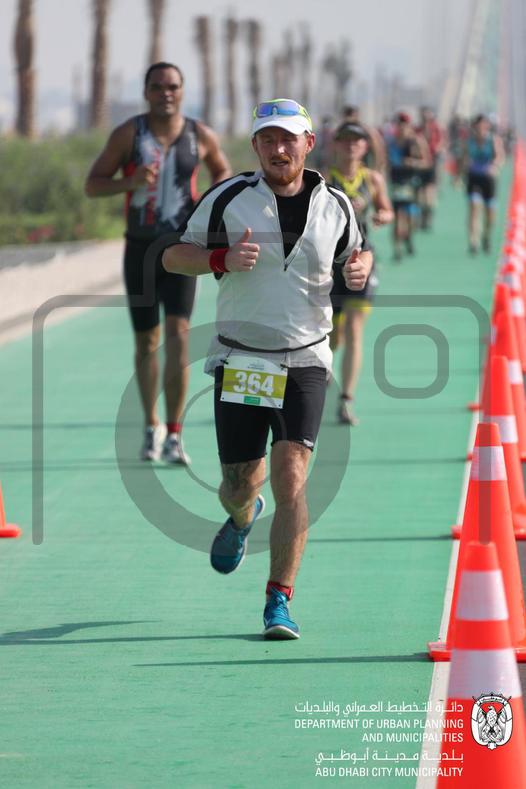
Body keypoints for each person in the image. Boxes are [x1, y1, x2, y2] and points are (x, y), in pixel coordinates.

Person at [162, 98, 372, 639]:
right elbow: (173, 256)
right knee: (238, 484)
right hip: (243, 357)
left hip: (306, 358)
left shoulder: (336, 204)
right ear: (255, 146)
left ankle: (279, 599)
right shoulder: (228, 197)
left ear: (308, 143)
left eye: (288, 139)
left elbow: (359, 253)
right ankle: (241, 515)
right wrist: (220, 259)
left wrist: (359, 269)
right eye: (268, 140)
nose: (279, 150)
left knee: (292, 477)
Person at [85, 62, 232, 463]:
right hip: (141, 251)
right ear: (146, 92)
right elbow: (93, 185)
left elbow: (222, 169)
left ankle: (174, 433)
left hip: (183, 250)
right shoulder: (128, 134)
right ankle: (151, 426)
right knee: (147, 342)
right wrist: (129, 182)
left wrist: (211, 199)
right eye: (157, 86)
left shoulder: (199, 135)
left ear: (182, 91)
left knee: (179, 336)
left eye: (173, 86)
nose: (166, 92)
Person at [328, 122, 394, 425]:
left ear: (365, 147)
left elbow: (386, 208)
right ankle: (324, 368)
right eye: (345, 140)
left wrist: (383, 215)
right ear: (336, 145)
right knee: (333, 335)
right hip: (329, 266)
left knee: (355, 330)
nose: (351, 145)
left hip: (362, 263)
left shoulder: (372, 179)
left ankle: (346, 400)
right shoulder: (324, 179)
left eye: (357, 140)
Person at [385, 111, 430, 261]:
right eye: (399, 124)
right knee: (397, 217)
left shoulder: (416, 142)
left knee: (411, 218)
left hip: (411, 183)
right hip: (396, 183)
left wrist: (413, 162)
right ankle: (397, 249)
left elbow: (426, 162)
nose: (402, 127)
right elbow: (385, 162)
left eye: (404, 124)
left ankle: (408, 237)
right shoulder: (391, 142)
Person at [461, 113, 504, 254]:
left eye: (483, 125)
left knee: (489, 212)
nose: (480, 128)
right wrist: (461, 171)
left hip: (488, 179)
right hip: (474, 177)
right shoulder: (469, 141)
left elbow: (499, 156)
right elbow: (464, 157)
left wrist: (494, 166)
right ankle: (473, 241)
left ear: (487, 126)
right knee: (474, 207)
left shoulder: (493, 140)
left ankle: (486, 236)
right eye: (478, 125)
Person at [416, 107, 445, 230]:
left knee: (429, 194)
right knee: (419, 195)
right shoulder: (417, 130)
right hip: (420, 164)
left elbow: (441, 144)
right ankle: (421, 217)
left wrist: (435, 150)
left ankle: (428, 217)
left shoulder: (436, 129)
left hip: (432, 164)